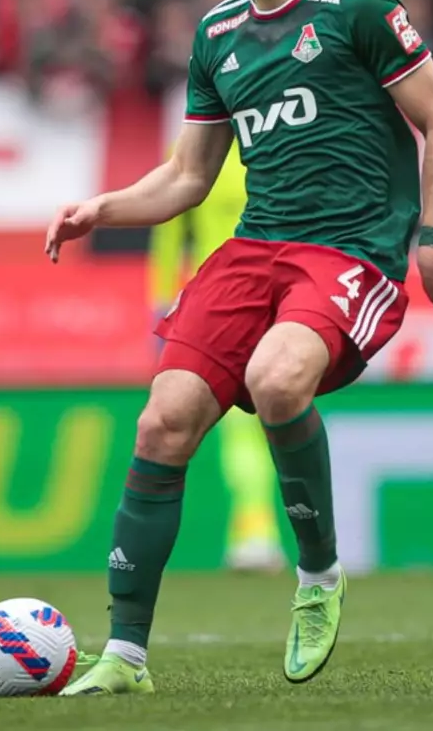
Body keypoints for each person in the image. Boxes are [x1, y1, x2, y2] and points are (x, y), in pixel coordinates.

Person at [45, 0, 433, 695]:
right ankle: (125, 656)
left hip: (350, 250)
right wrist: (103, 208)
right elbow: (188, 176)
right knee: (162, 423)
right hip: (255, 250)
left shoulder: (359, 6)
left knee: (278, 380)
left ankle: (318, 575)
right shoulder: (217, 35)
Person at [148, 136, 287, 574]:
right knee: (269, 423)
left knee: (241, 428)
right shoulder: (284, 137)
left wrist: (160, 307)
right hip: (277, 301)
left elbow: (166, 237)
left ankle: (255, 533)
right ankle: (261, 532)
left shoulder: (192, 146)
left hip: (222, 304)